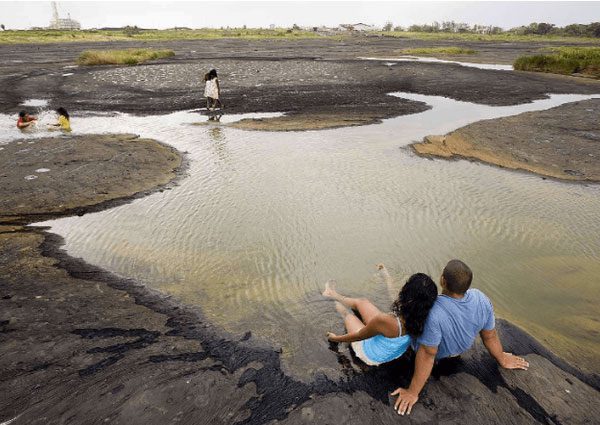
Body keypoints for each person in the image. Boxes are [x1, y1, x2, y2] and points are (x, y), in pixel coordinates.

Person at [392, 259, 529, 416]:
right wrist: (502, 358)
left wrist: (412, 392)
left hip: (437, 354)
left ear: (442, 280)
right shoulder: (480, 298)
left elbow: (428, 354)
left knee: (403, 314)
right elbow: (490, 335)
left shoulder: (434, 311)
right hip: (458, 350)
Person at [323, 264, 437, 366]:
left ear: (407, 293)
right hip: (390, 348)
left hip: (370, 354)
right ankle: (332, 294)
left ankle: (334, 301)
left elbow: (358, 336)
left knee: (349, 315)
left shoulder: (387, 321)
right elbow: (393, 294)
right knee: (362, 302)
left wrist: (335, 338)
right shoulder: (422, 315)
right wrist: (385, 275)